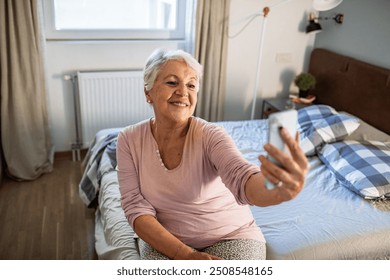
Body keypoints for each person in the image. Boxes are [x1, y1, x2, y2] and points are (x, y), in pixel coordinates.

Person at [116, 49, 308, 260]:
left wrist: (278, 189)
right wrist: (186, 254)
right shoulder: (128, 140)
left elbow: (243, 178)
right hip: (166, 237)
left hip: (230, 236)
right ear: (148, 92)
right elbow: (135, 207)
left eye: (191, 85)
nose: (183, 92)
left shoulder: (211, 135)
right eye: (172, 82)